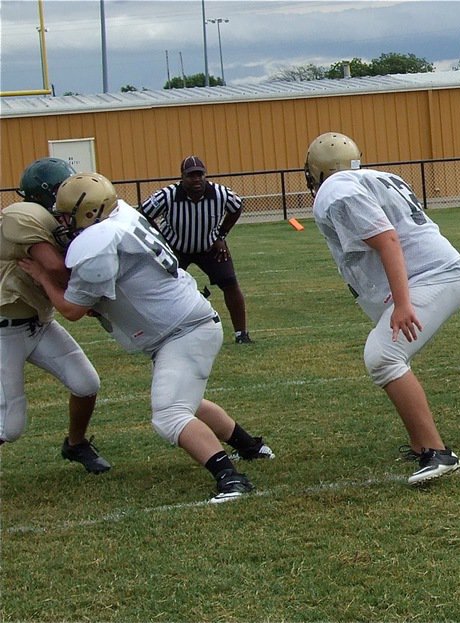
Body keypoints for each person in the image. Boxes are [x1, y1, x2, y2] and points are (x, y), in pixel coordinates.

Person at [21, 172, 274, 503]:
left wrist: (42, 275)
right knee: (186, 401)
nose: (64, 223)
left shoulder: (98, 242)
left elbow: (72, 310)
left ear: (90, 212)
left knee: (170, 415)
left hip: (183, 331)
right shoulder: (122, 216)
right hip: (187, 323)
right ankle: (251, 447)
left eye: (68, 215)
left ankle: (231, 479)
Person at [306, 132, 460, 485]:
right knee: (390, 356)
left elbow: (388, 239)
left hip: (429, 277)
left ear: (316, 172)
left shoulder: (335, 190)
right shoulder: (375, 176)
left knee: (382, 357)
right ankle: (419, 441)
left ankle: (437, 452)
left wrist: (403, 303)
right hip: (435, 272)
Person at [1, 158, 111, 473]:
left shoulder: (52, 220)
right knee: (9, 425)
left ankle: (75, 444)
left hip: (39, 324)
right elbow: (56, 268)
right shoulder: (25, 215)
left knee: (86, 382)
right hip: (5, 330)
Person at [139, 156, 254, 344]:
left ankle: (241, 334)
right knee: (160, 288)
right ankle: (158, 334)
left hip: (209, 247)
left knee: (230, 283)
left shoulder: (220, 193)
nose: (196, 179)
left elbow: (237, 207)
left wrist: (221, 236)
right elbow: (143, 213)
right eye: (191, 175)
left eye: (200, 174)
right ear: (182, 177)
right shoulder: (167, 195)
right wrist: (160, 240)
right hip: (175, 248)